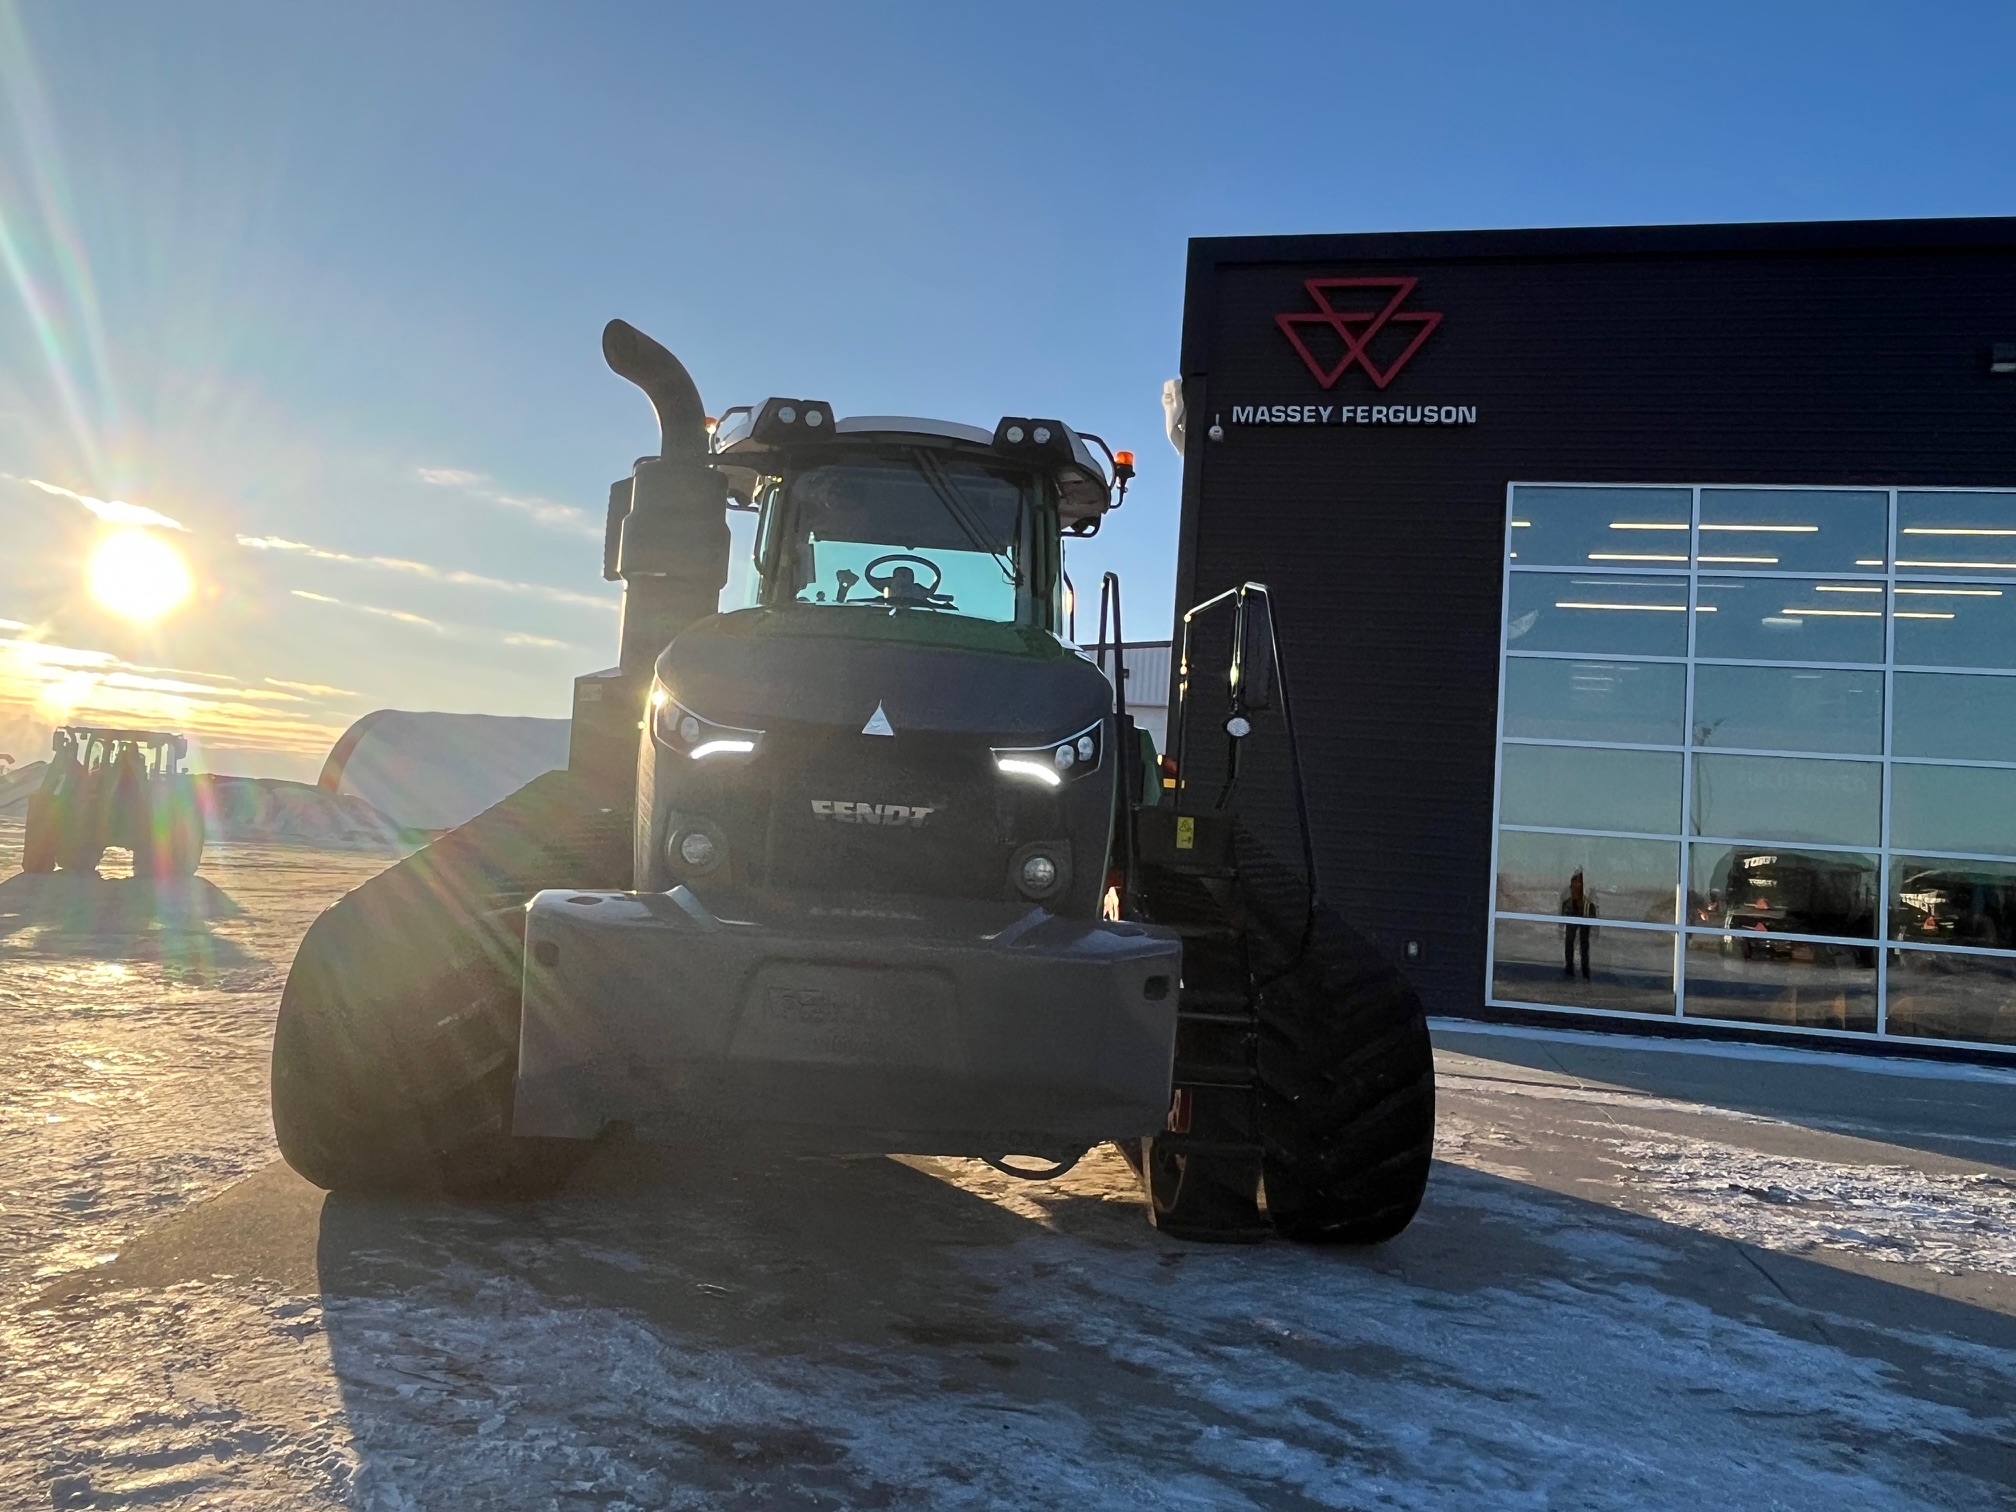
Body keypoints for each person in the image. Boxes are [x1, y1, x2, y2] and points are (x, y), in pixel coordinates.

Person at [1560, 870, 1598, 980]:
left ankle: (1585, 970)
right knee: (1569, 941)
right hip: (1573, 914)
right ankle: (1569, 968)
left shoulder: (1589, 906)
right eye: (1574, 882)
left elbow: (1594, 922)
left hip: (1584, 915)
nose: (1575, 886)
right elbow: (1562, 920)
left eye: (1579, 882)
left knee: (1584, 943)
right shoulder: (1567, 903)